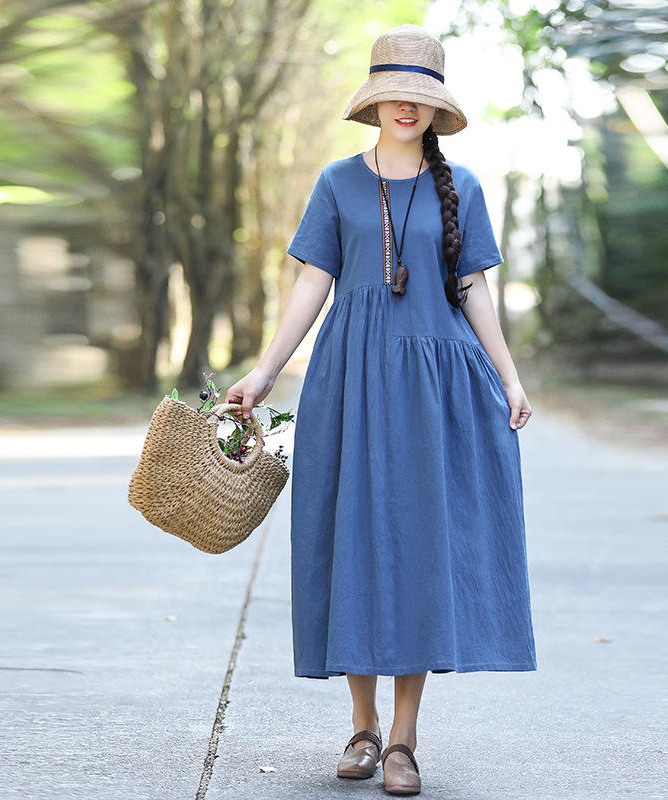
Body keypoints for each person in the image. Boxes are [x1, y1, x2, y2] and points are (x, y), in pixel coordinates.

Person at [226, 24, 536, 796]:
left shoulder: (462, 186)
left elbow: (475, 290)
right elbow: (310, 284)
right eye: (395, 94)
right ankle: (360, 728)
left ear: (436, 110)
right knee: (352, 538)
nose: (407, 108)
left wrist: (511, 378)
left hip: (435, 386)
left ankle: (404, 739)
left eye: (421, 98)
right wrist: (266, 371)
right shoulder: (336, 182)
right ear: (375, 102)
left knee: (420, 544)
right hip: (348, 380)